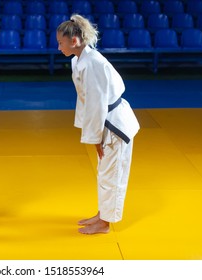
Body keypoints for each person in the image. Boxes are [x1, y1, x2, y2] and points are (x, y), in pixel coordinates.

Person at [56, 14, 140, 235]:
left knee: (112, 174)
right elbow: (85, 99)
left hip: (114, 125)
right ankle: (103, 213)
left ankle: (105, 223)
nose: (58, 47)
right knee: (105, 173)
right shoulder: (78, 60)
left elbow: (97, 104)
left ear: (74, 41)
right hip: (105, 121)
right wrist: (89, 131)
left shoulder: (93, 63)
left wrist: (94, 138)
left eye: (61, 43)